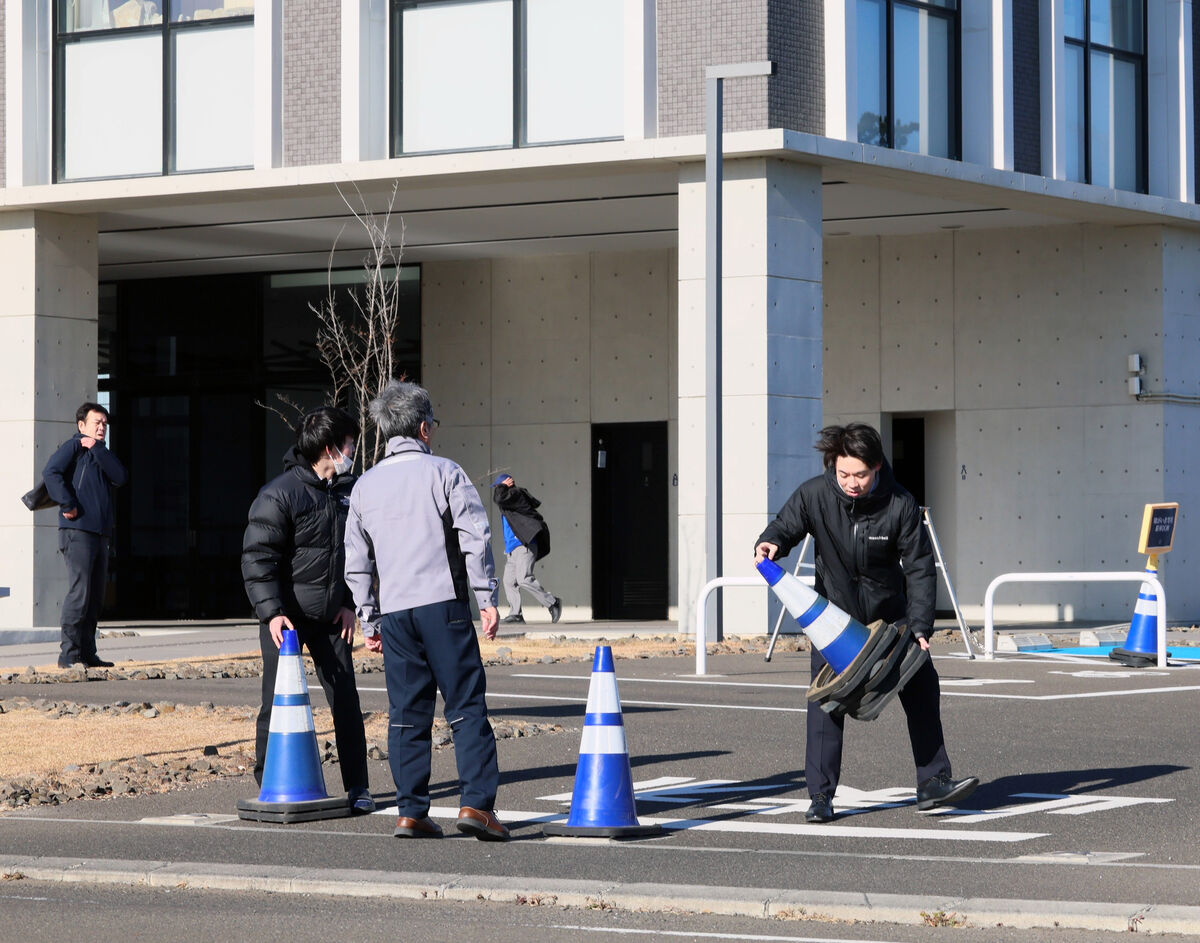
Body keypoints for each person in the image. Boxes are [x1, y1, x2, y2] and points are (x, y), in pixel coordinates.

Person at [754, 422, 978, 823]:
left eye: (860, 474)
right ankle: (820, 797)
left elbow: (920, 569)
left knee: (923, 686)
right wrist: (770, 541)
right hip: (834, 620)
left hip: (891, 619)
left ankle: (933, 783)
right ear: (833, 466)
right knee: (827, 703)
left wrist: (922, 627)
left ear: (876, 468)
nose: (851, 483)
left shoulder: (901, 503)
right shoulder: (815, 494)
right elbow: (786, 525)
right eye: (844, 474)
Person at [344, 381, 507, 841]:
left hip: (395, 613)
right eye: (431, 423)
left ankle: (410, 810)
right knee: (466, 706)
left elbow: (356, 560)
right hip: (443, 605)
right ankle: (476, 804)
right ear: (422, 428)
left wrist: (368, 617)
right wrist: (487, 597)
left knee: (406, 712)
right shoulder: (445, 473)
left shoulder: (365, 486)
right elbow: (475, 537)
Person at [241, 406, 374, 814]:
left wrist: (351, 605)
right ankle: (269, 781)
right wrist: (271, 613)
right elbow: (257, 557)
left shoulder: (352, 491)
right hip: (286, 618)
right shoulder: (280, 493)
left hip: (333, 617)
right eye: (350, 444)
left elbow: (362, 553)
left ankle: (359, 788)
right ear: (331, 448)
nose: (353, 451)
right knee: (276, 700)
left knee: (346, 700)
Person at [43, 402, 128, 669]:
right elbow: (50, 472)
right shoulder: (73, 447)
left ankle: (88, 653)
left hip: (99, 533)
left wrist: (98, 449)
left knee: (95, 597)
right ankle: (68, 655)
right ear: (82, 425)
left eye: (104, 423)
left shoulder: (101, 452)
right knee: (79, 593)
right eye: (96, 422)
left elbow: (121, 476)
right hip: (77, 531)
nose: (101, 427)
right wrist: (68, 504)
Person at [491, 473, 561, 625]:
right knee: (509, 581)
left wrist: (504, 486)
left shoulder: (516, 494)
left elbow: (498, 498)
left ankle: (553, 602)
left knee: (524, 578)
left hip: (524, 545)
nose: (496, 489)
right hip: (512, 549)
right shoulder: (509, 501)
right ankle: (516, 614)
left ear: (506, 485)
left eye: (498, 486)